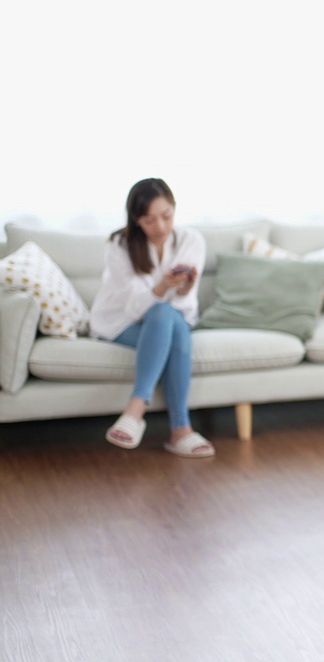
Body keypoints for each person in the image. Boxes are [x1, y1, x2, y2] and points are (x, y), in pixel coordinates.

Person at [90, 178, 215, 458]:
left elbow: (185, 308)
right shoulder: (120, 244)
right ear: (135, 220)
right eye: (149, 220)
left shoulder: (191, 240)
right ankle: (180, 430)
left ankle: (134, 413)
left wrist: (184, 287)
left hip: (168, 323)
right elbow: (135, 309)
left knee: (172, 321)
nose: (160, 227)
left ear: (174, 209)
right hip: (121, 323)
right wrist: (161, 288)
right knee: (165, 316)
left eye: (166, 216)